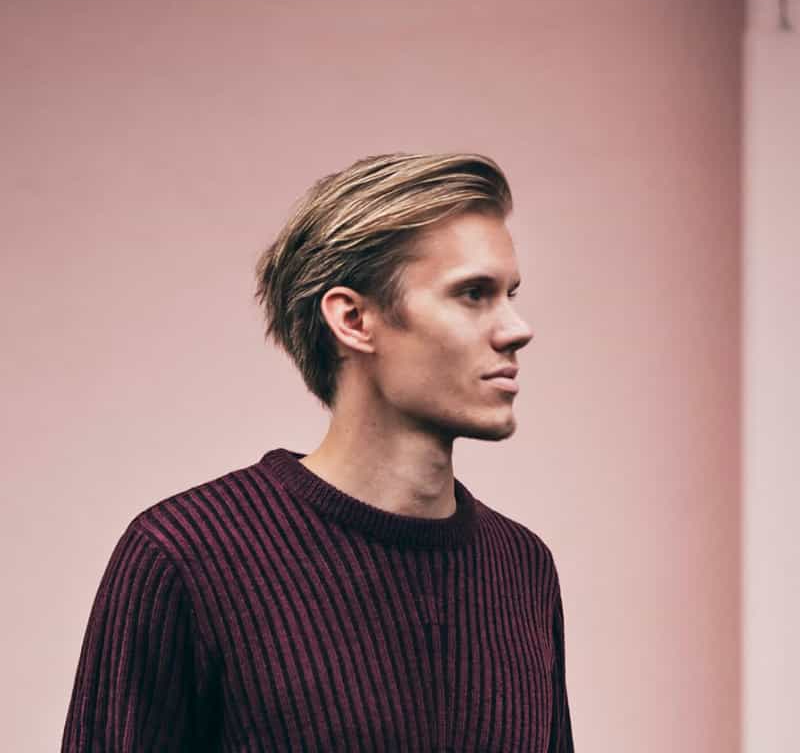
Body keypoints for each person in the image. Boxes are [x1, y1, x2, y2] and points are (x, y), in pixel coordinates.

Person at [61, 153, 574, 752]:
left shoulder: (522, 568)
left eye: (510, 294)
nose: (517, 329)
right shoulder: (185, 556)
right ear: (353, 319)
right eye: (473, 294)